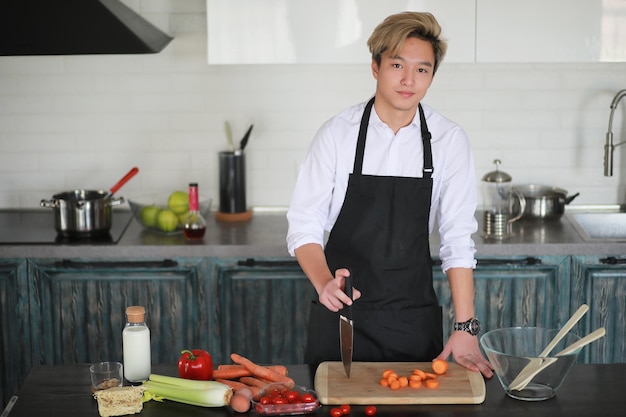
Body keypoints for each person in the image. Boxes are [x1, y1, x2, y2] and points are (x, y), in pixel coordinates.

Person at [286, 11, 493, 378]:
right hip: (341, 319)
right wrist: (323, 282)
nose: (408, 80)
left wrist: (466, 328)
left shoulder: (449, 141)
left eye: (422, 69)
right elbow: (304, 224)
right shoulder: (337, 135)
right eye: (397, 64)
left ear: (432, 76)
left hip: (412, 323)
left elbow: (458, 239)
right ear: (375, 67)